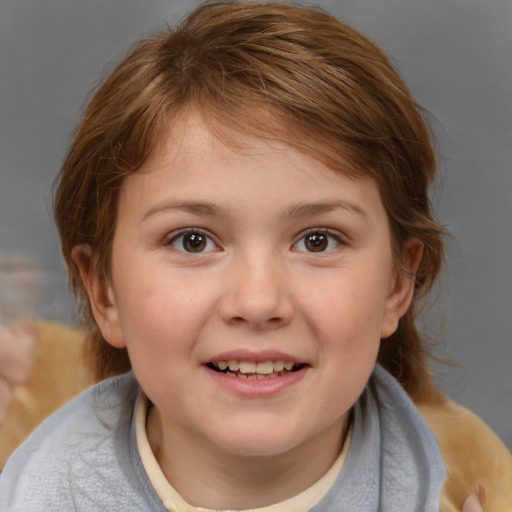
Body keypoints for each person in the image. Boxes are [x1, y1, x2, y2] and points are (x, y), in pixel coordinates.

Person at [0, 1, 510, 510]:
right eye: (193, 240)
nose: (259, 300)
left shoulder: (478, 482)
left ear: (398, 283)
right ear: (103, 290)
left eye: (318, 240)